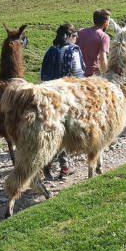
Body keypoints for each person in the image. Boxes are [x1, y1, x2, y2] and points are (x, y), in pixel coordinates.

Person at [39, 23, 85, 178]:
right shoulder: (73, 51)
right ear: (71, 36)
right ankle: (64, 166)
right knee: (63, 132)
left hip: (47, 96)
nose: (76, 39)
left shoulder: (50, 50)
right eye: (75, 36)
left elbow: (42, 75)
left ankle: (48, 162)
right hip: (66, 97)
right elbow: (77, 75)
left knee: (51, 129)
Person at [78, 9, 111, 77]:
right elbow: (103, 61)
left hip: (78, 72)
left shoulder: (80, 32)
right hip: (92, 75)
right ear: (105, 23)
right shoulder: (104, 36)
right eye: (109, 22)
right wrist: (108, 76)